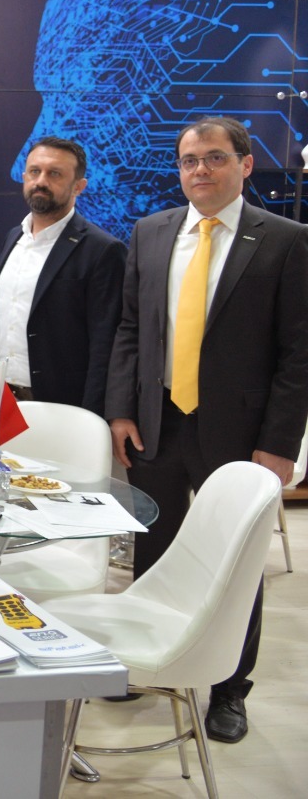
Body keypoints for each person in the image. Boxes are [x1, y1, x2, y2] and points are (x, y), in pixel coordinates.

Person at [106, 116, 308, 744]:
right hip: (158, 425)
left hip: (242, 436)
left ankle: (229, 687)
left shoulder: (285, 241)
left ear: (245, 165)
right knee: (153, 549)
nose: (201, 170)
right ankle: (148, 660)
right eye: (190, 160)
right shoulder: (151, 232)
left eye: (216, 158)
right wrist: (121, 410)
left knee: (234, 563)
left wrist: (279, 444)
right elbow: (131, 330)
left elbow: (298, 354)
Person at [0, 137, 126, 414]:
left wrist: (93, 417)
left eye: (55, 174)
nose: (41, 181)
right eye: (34, 171)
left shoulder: (103, 250)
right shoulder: (14, 238)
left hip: (61, 410)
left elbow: (105, 346)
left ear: (79, 186)